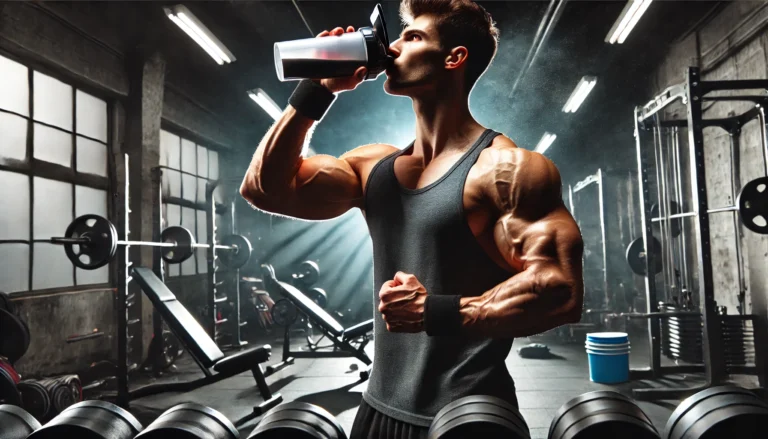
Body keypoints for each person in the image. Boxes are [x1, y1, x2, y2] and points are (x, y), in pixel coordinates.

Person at [240, 1, 584, 437]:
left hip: (468, 418)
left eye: (413, 36)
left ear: (454, 58)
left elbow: (560, 289)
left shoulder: (506, 169)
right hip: (378, 411)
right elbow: (263, 188)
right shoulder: (372, 167)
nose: (393, 47)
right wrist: (316, 89)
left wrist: (434, 311)